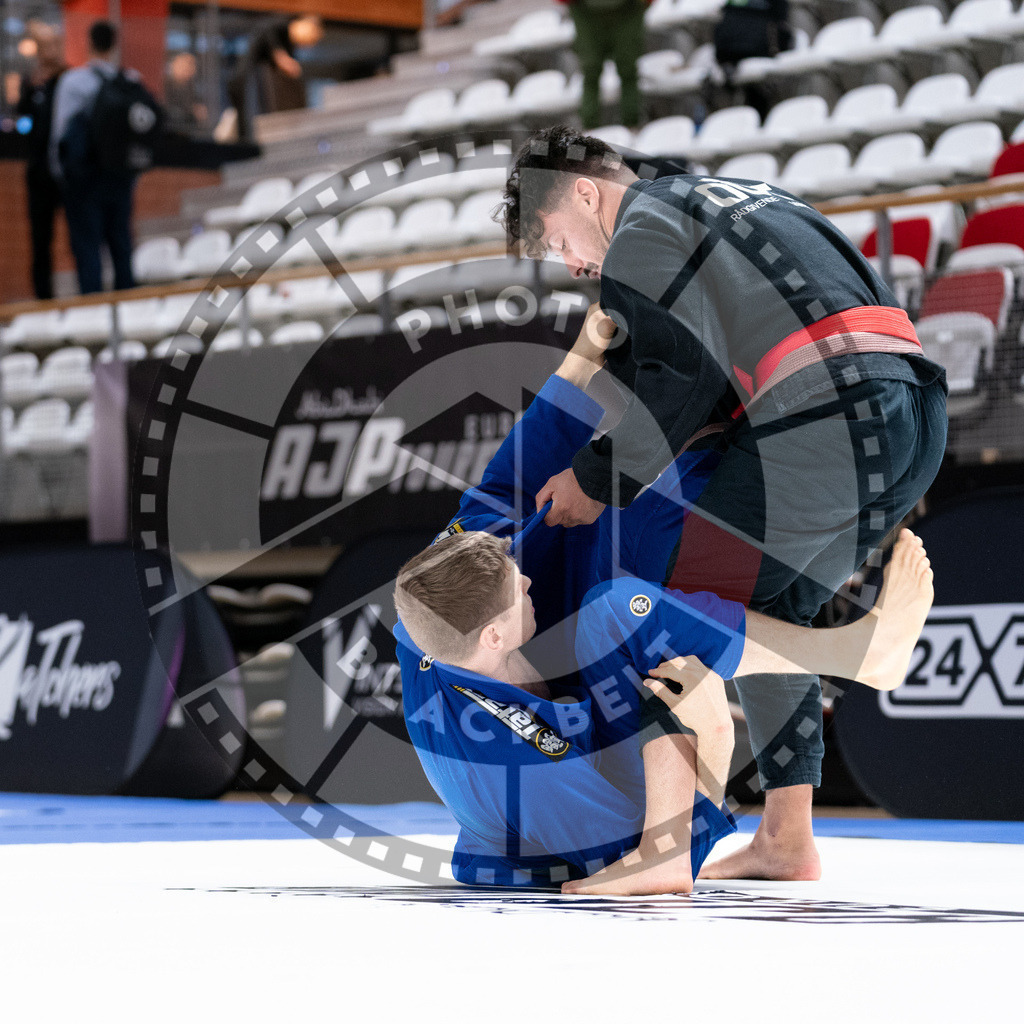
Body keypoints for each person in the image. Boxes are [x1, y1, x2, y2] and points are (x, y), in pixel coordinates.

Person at [497, 125, 948, 882]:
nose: (573, 263)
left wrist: (593, 477)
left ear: (584, 192)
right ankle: (786, 838)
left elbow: (681, 378)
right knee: (773, 619)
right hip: (911, 415)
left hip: (825, 426)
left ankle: (664, 854)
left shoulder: (640, 230)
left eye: (557, 242)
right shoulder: (741, 195)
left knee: (664, 609)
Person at [392, 315, 935, 894]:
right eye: (514, 589)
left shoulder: (434, 606)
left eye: (513, 570)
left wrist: (582, 357)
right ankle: (852, 654)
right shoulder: (520, 748)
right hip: (604, 842)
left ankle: (784, 841)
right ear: (493, 639)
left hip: (521, 823)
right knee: (633, 626)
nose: (523, 581)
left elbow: (502, 487)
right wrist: (702, 750)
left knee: (595, 572)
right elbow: (607, 814)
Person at [49, 20, 136, 294]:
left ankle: (92, 318)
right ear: (114, 45)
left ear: (88, 43)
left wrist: (61, 175)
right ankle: (130, 313)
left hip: (85, 182)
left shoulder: (74, 82)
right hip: (120, 179)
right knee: (122, 249)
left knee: (88, 252)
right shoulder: (130, 81)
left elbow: (60, 135)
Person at [16, 21, 65, 300]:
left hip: (64, 170)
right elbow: (23, 116)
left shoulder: (66, 79)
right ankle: (43, 297)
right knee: (40, 240)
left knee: (75, 236)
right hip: (38, 172)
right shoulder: (31, 81)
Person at [227, 15, 323, 142]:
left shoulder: (290, 47)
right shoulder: (282, 24)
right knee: (242, 98)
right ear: (304, 23)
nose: (307, 42)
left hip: (259, 80)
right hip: (246, 73)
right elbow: (267, 29)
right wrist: (280, 56)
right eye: (310, 36)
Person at [557, 0, 652, 130]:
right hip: (586, 13)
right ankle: (589, 128)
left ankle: (632, 125)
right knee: (591, 71)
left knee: (627, 71)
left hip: (627, 12)